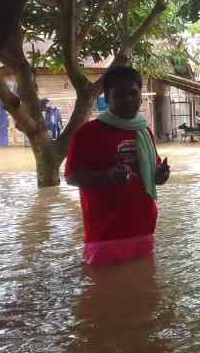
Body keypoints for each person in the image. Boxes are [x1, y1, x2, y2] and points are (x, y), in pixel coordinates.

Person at [65, 66, 171, 266]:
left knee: (144, 283)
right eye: (119, 95)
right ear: (107, 98)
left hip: (144, 228)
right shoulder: (88, 133)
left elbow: (152, 173)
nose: (128, 100)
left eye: (133, 93)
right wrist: (108, 176)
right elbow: (71, 177)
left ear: (141, 96)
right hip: (106, 234)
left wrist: (160, 175)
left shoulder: (144, 131)